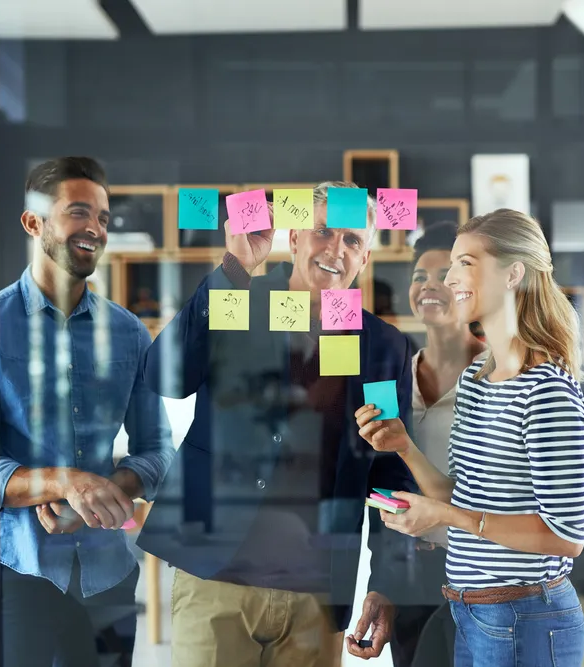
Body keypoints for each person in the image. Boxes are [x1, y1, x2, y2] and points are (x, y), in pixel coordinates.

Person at [137, 181, 417, 667]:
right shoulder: (238, 301)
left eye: (352, 240)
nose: (336, 249)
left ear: (365, 257)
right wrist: (235, 267)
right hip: (217, 572)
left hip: (316, 592)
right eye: (324, 232)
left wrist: (387, 582)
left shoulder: (382, 348)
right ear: (295, 240)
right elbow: (165, 376)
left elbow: (389, 471)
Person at [0, 157, 174, 667]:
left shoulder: (130, 334)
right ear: (34, 222)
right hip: (17, 577)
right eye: (78, 212)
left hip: (109, 576)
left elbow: (158, 450)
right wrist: (64, 482)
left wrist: (102, 496)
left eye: (104, 218)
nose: (95, 228)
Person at [355, 208, 584, 667]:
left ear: (513, 274)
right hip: (472, 609)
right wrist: (405, 447)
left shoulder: (547, 390)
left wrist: (444, 515)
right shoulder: (477, 381)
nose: (449, 277)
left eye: (465, 262)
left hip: (527, 615)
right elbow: (459, 493)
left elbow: (567, 536)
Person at [388, 221, 487, 667]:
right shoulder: (394, 378)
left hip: (486, 571)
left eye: (444, 274)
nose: (429, 286)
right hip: (413, 570)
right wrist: (384, 583)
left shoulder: (500, 374)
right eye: (418, 277)